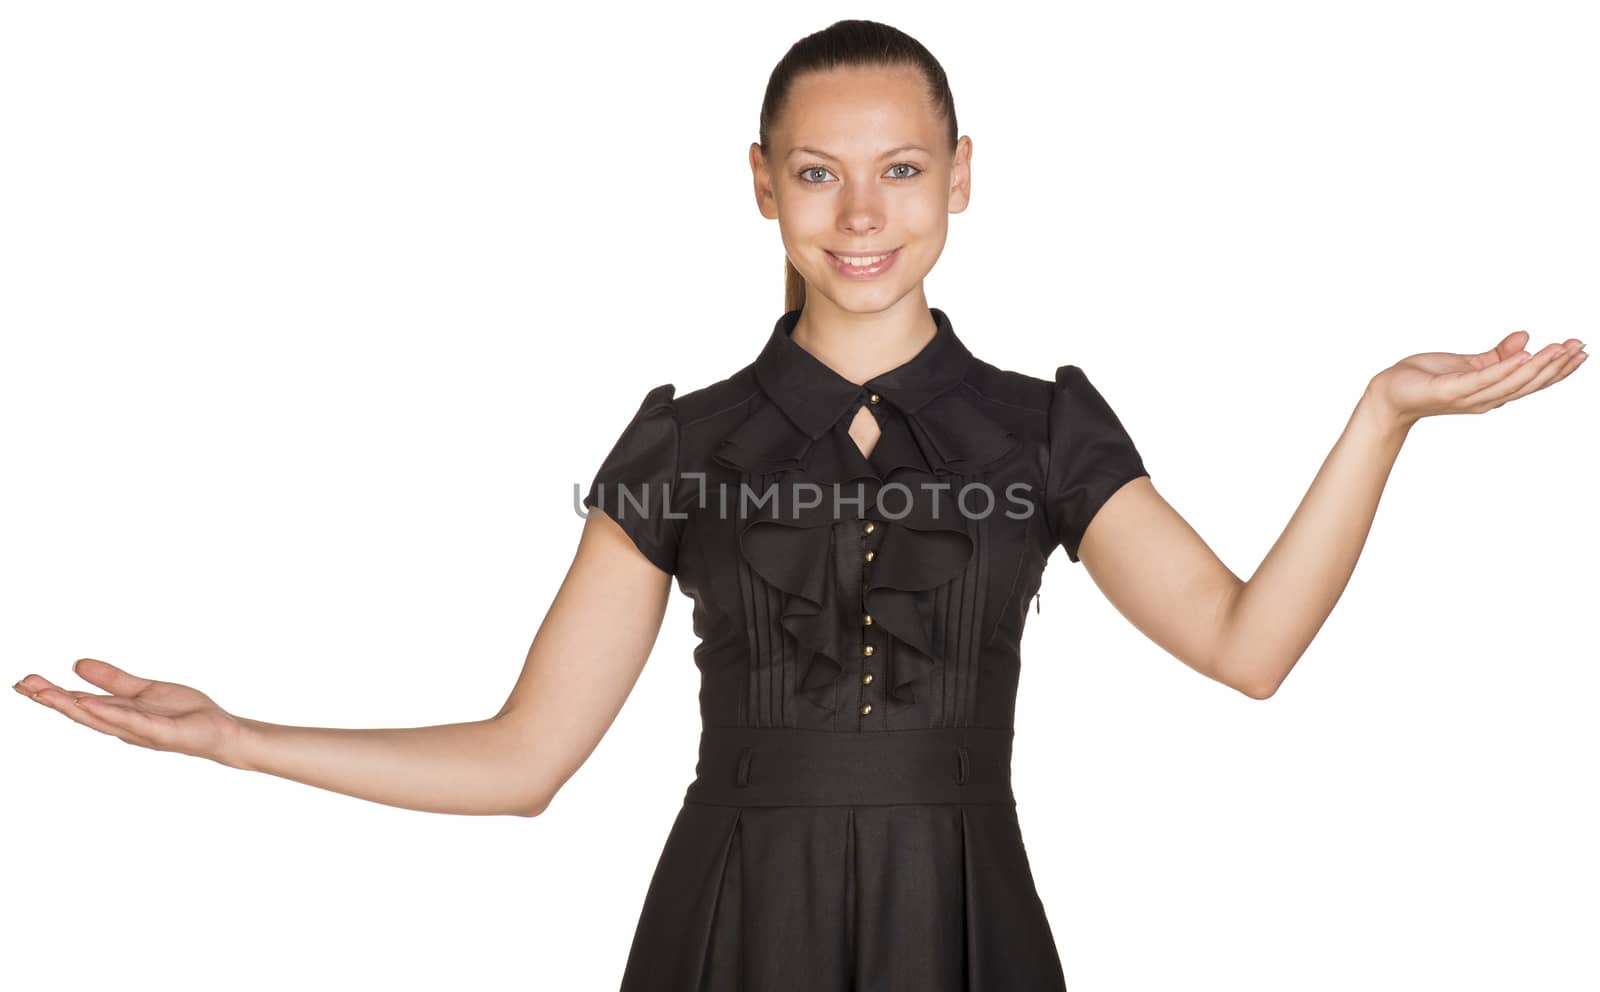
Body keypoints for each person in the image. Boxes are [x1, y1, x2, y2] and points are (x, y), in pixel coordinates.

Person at [11, 18, 1585, 992]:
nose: (862, 215)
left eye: (900, 171)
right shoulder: (681, 442)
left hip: (970, 922)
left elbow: (1247, 646)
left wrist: (1381, 418)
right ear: (760, 181)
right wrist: (231, 737)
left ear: (963, 176)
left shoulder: (1043, 429)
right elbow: (522, 760)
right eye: (819, 174)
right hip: (726, 927)